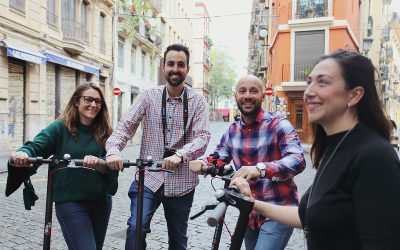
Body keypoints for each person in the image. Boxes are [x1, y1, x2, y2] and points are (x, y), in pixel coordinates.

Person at [231, 50, 400, 250]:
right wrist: (251, 202)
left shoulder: (374, 156)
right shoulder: (334, 149)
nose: (309, 91)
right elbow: (305, 215)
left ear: (354, 95)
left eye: (323, 82)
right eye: (309, 82)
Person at [106, 44, 211, 250]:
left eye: (180, 65)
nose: (175, 68)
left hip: (182, 183)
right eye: (171, 63)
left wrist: (181, 155)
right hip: (148, 178)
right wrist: (113, 150)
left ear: (187, 69)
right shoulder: (148, 96)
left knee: (178, 239)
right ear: (164, 67)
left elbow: (203, 136)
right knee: (136, 228)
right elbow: (126, 126)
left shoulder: (198, 101)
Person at [189, 74, 306, 250]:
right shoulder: (232, 130)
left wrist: (261, 169)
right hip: (249, 213)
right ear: (236, 96)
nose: (247, 96)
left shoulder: (278, 124)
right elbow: (219, 157)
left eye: (254, 91)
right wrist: (202, 162)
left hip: (278, 211)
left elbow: (297, 159)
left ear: (262, 96)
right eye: (242, 91)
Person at [8, 83, 118, 250]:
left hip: (100, 202)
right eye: (88, 99)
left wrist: (99, 163)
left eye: (98, 101)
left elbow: (111, 168)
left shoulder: (106, 132)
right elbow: (35, 146)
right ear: (76, 101)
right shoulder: (60, 127)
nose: (94, 105)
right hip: (70, 201)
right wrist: (22, 153)